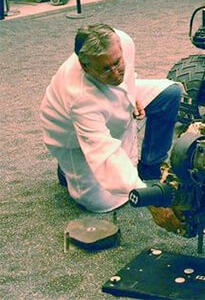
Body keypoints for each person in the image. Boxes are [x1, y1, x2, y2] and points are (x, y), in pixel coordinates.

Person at [40, 23, 183, 231]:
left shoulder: (123, 40)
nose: (115, 73)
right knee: (102, 203)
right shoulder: (79, 97)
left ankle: (150, 166)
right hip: (71, 135)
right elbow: (105, 152)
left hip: (107, 105)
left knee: (169, 93)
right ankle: (67, 170)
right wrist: (149, 200)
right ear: (85, 67)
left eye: (117, 62)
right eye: (105, 69)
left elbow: (127, 76)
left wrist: (131, 95)